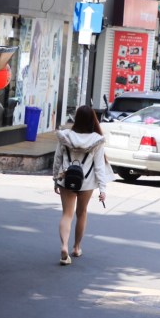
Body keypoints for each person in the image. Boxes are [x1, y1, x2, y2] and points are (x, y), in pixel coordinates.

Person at [52, 105, 107, 266]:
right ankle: (76, 247)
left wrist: (55, 179)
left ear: (77, 118)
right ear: (92, 120)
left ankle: (64, 245)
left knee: (67, 214)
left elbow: (57, 159)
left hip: (66, 179)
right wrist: (102, 189)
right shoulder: (97, 140)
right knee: (81, 213)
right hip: (87, 182)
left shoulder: (65, 136)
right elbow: (99, 166)